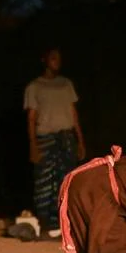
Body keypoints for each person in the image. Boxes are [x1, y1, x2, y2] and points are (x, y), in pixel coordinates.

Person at [24, 47, 86, 238]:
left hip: (66, 138)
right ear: (44, 60)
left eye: (59, 58)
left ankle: (64, 227)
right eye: (53, 58)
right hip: (45, 138)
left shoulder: (66, 84)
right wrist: (32, 145)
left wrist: (80, 141)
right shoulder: (35, 86)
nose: (56, 61)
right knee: (44, 183)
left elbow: (73, 114)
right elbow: (32, 118)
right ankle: (45, 225)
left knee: (66, 181)